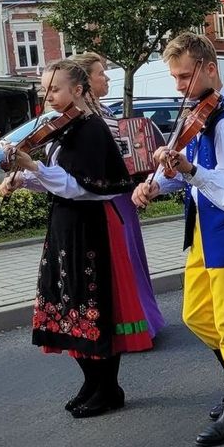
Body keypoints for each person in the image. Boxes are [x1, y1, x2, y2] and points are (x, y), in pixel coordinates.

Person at [132, 32, 224, 447]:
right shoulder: (200, 111)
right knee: (198, 315)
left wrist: (187, 170)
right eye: (175, 78)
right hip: (206, 226)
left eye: (184, 77)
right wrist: (155, 184)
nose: (179, 86)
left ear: (210, 68)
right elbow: (188, 167)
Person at [0, 59, 149, 417]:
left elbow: (83, 187)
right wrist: (22, 179)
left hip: (91, 226)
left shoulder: (91, 129)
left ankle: (108, 388)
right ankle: (92, 382)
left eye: (56, 89)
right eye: (46, 89)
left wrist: (33, 167)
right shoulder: (62, 129)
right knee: (66, 304)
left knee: (94, 307)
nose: (49, 95)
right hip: (66, 225)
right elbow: (59, 179)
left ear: (78, 91)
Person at [76, 52, 165, 339]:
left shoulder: (105, 111)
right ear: (85, 81)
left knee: (133, 256)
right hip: (108, 197)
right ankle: (130, 325)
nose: (106, 77)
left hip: (123, 192)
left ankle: (145, 319)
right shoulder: (82, 116)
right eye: (100, 73)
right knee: (122, 258)